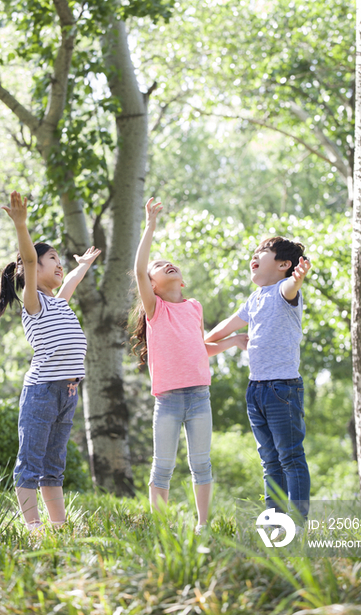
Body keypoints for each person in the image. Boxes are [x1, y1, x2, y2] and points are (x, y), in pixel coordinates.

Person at [131, 198, 248, 531]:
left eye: (172, 264)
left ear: (181, 281)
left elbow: (200, 347)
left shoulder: (193, 307)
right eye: (160, 265)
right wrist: (150, 224)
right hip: (167, 402)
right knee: (162, 467)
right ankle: (160, 526)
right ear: (152, 286)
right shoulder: (156, 310)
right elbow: (139, 269)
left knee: (201, 463)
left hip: (199, 397)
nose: (168, 264)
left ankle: (203, 525)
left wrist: (232, 342)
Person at [0, 191, 101, 531]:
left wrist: (81, 267)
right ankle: (33, 528)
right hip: (42, 392)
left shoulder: (59, 303)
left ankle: (58, 526)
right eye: (52, 258)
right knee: (31, 463)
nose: (59, 264)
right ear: (31, 270)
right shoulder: (34, 303)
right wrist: (21, 227)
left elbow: (68, 283)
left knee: (54, 465)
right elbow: (26, 258)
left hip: (68, 392)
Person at [205, 236, 311, 522]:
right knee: (270, 461)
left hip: (282, 389)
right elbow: (217, 332)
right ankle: (275, 522)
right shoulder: (254, 299)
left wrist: (297, 277)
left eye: (262, 252)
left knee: (290, 457)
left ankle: (299, 523)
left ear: (283, 265)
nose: (254, 256)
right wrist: (217, 339)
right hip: (256, 390)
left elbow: (291, 286)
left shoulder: (283, 290)